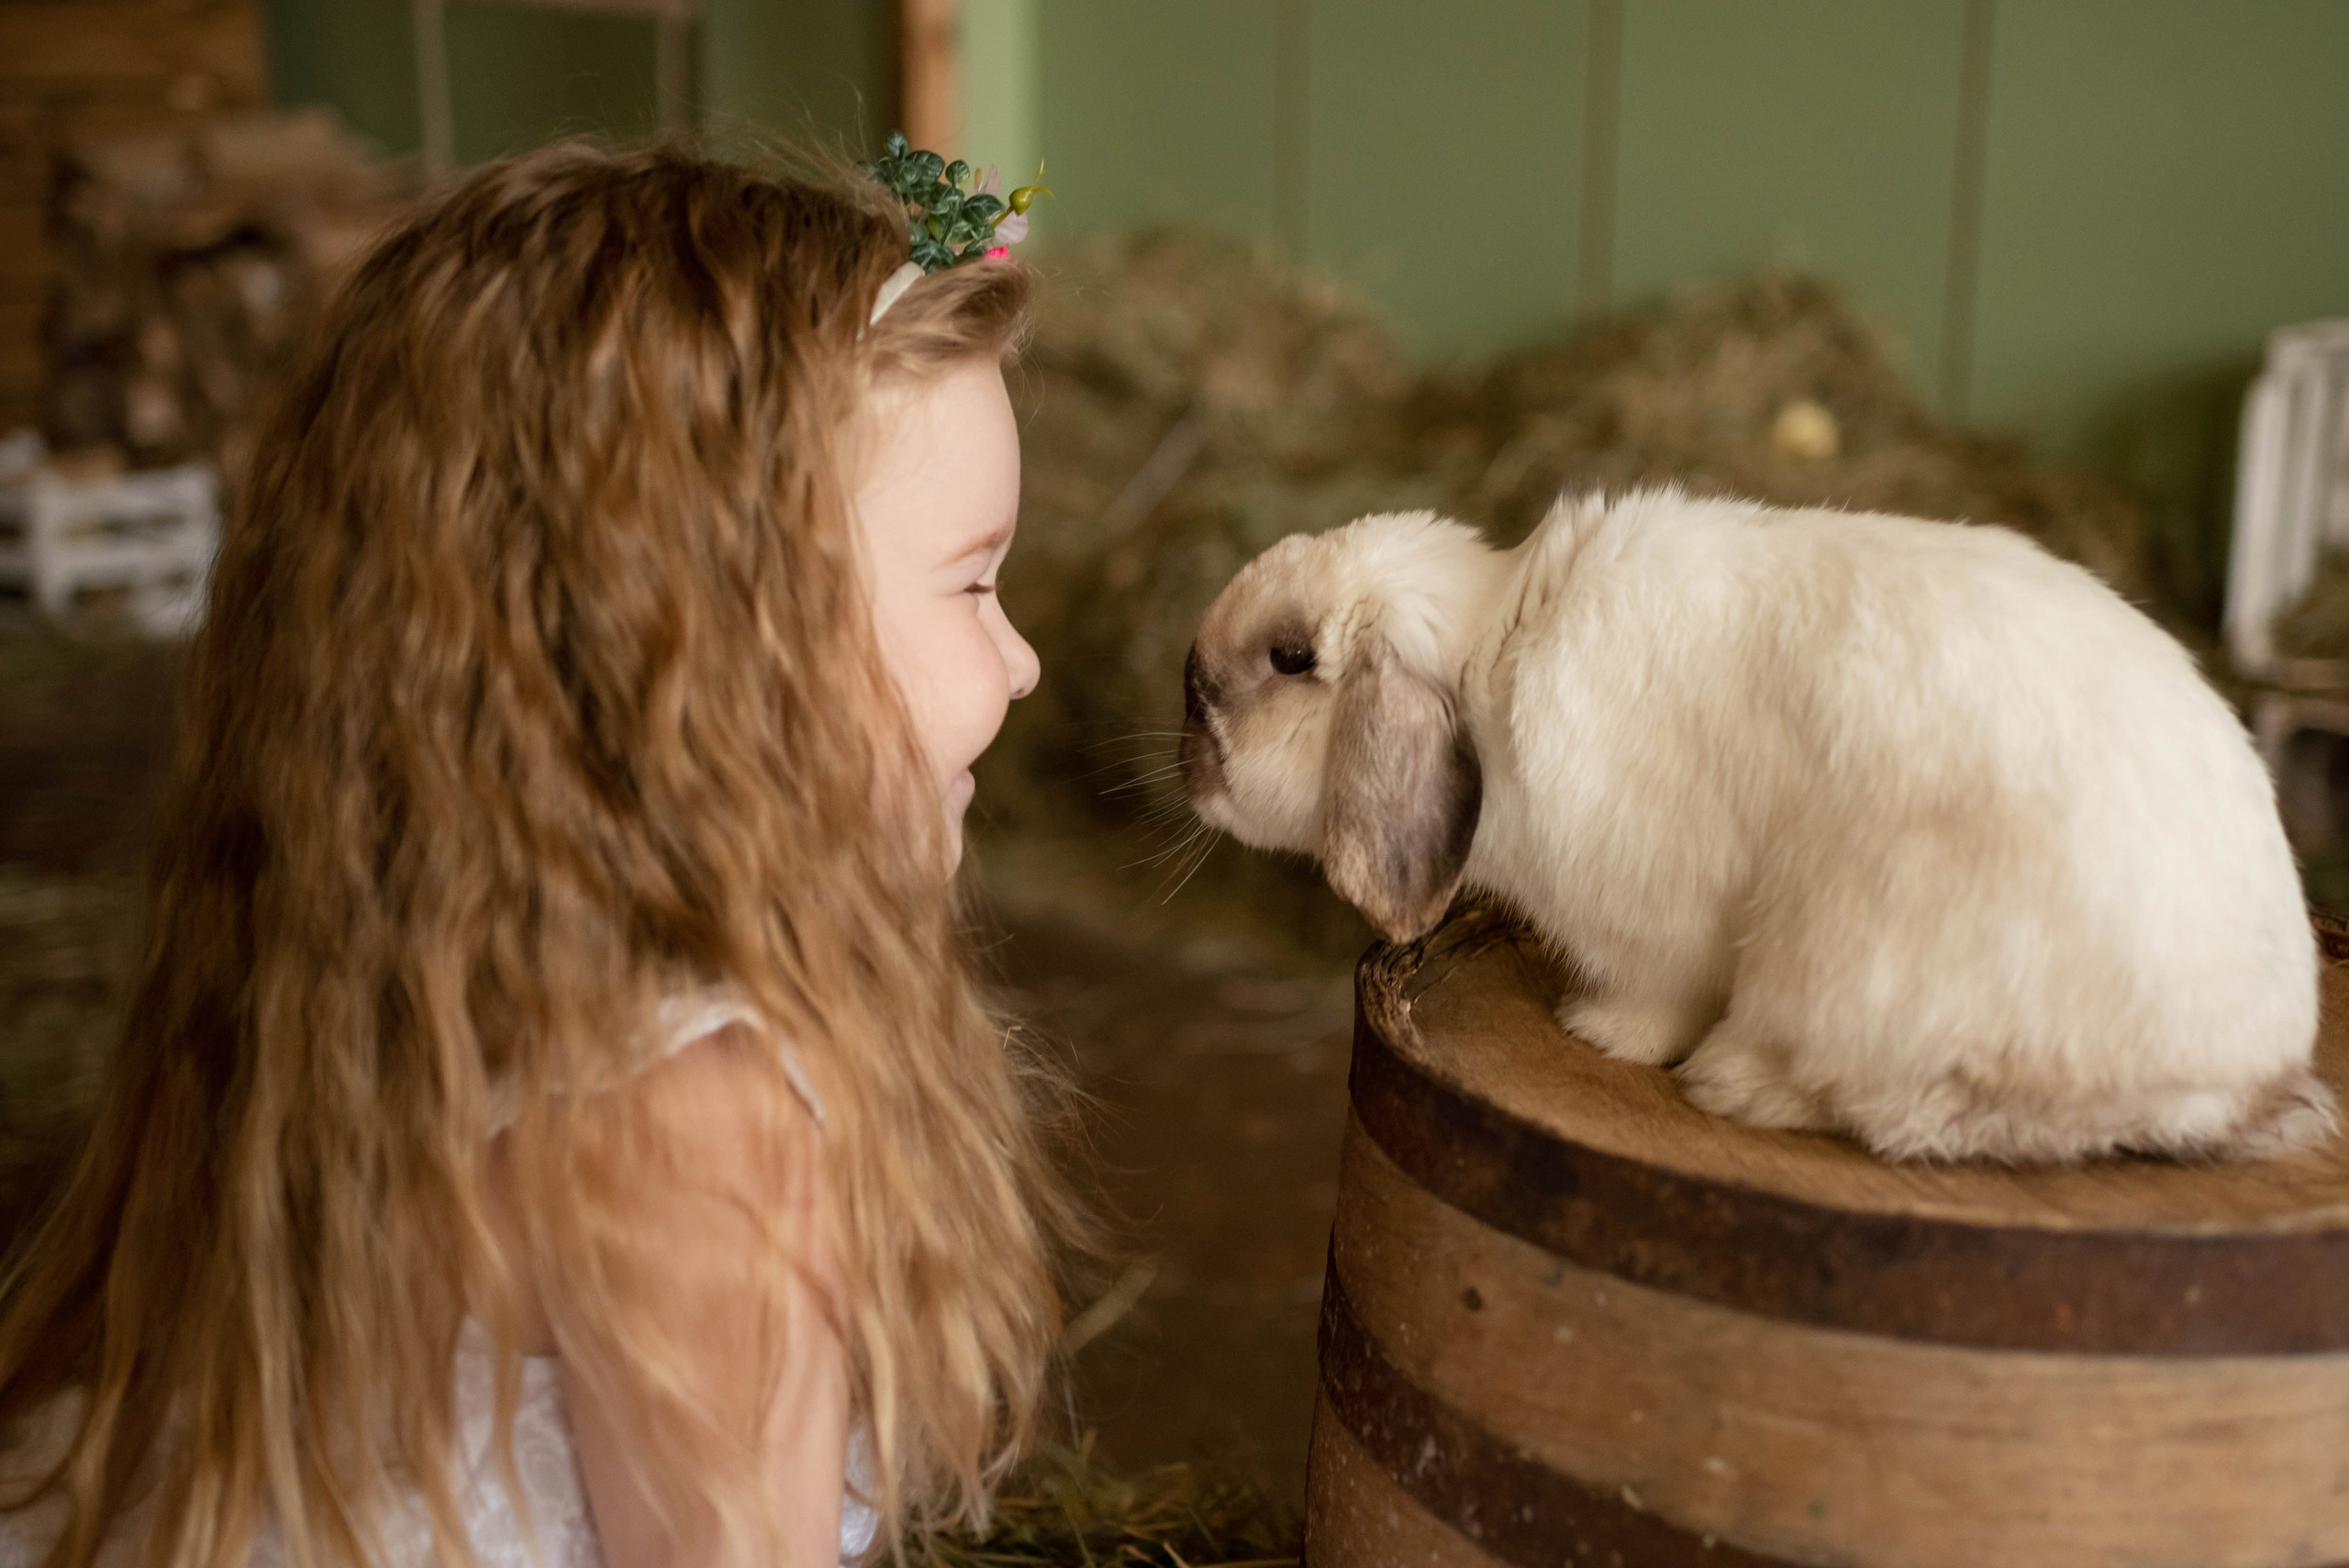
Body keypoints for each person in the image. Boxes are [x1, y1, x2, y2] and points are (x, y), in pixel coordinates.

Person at [0, 141, 1083, 1568]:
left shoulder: (426, 967)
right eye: (973, 582)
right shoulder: (703, 1120)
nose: (1023, 663)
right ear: (712, 642)